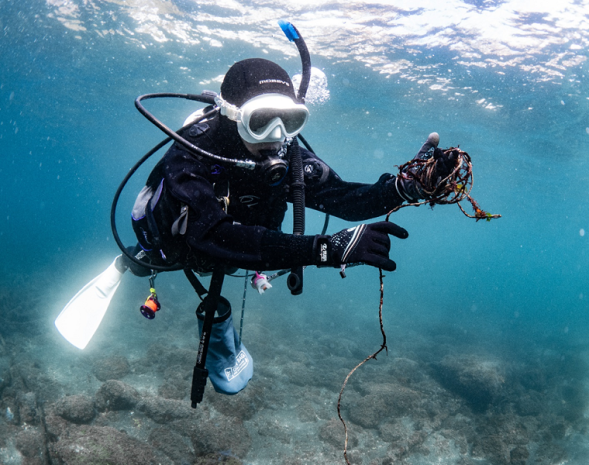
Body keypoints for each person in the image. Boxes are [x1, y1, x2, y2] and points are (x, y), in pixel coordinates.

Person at [123, 58, 455, 395]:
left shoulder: (288, 154)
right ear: (231, 115)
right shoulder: (191, 156)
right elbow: (213, 235)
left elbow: (344, 199)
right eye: (261, 121)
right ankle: (129, 262)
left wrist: (406, 186)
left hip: (248, 252)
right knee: (152, 260)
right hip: (183, 247)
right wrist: (325, 248)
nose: (276, 136)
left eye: (290, 120)